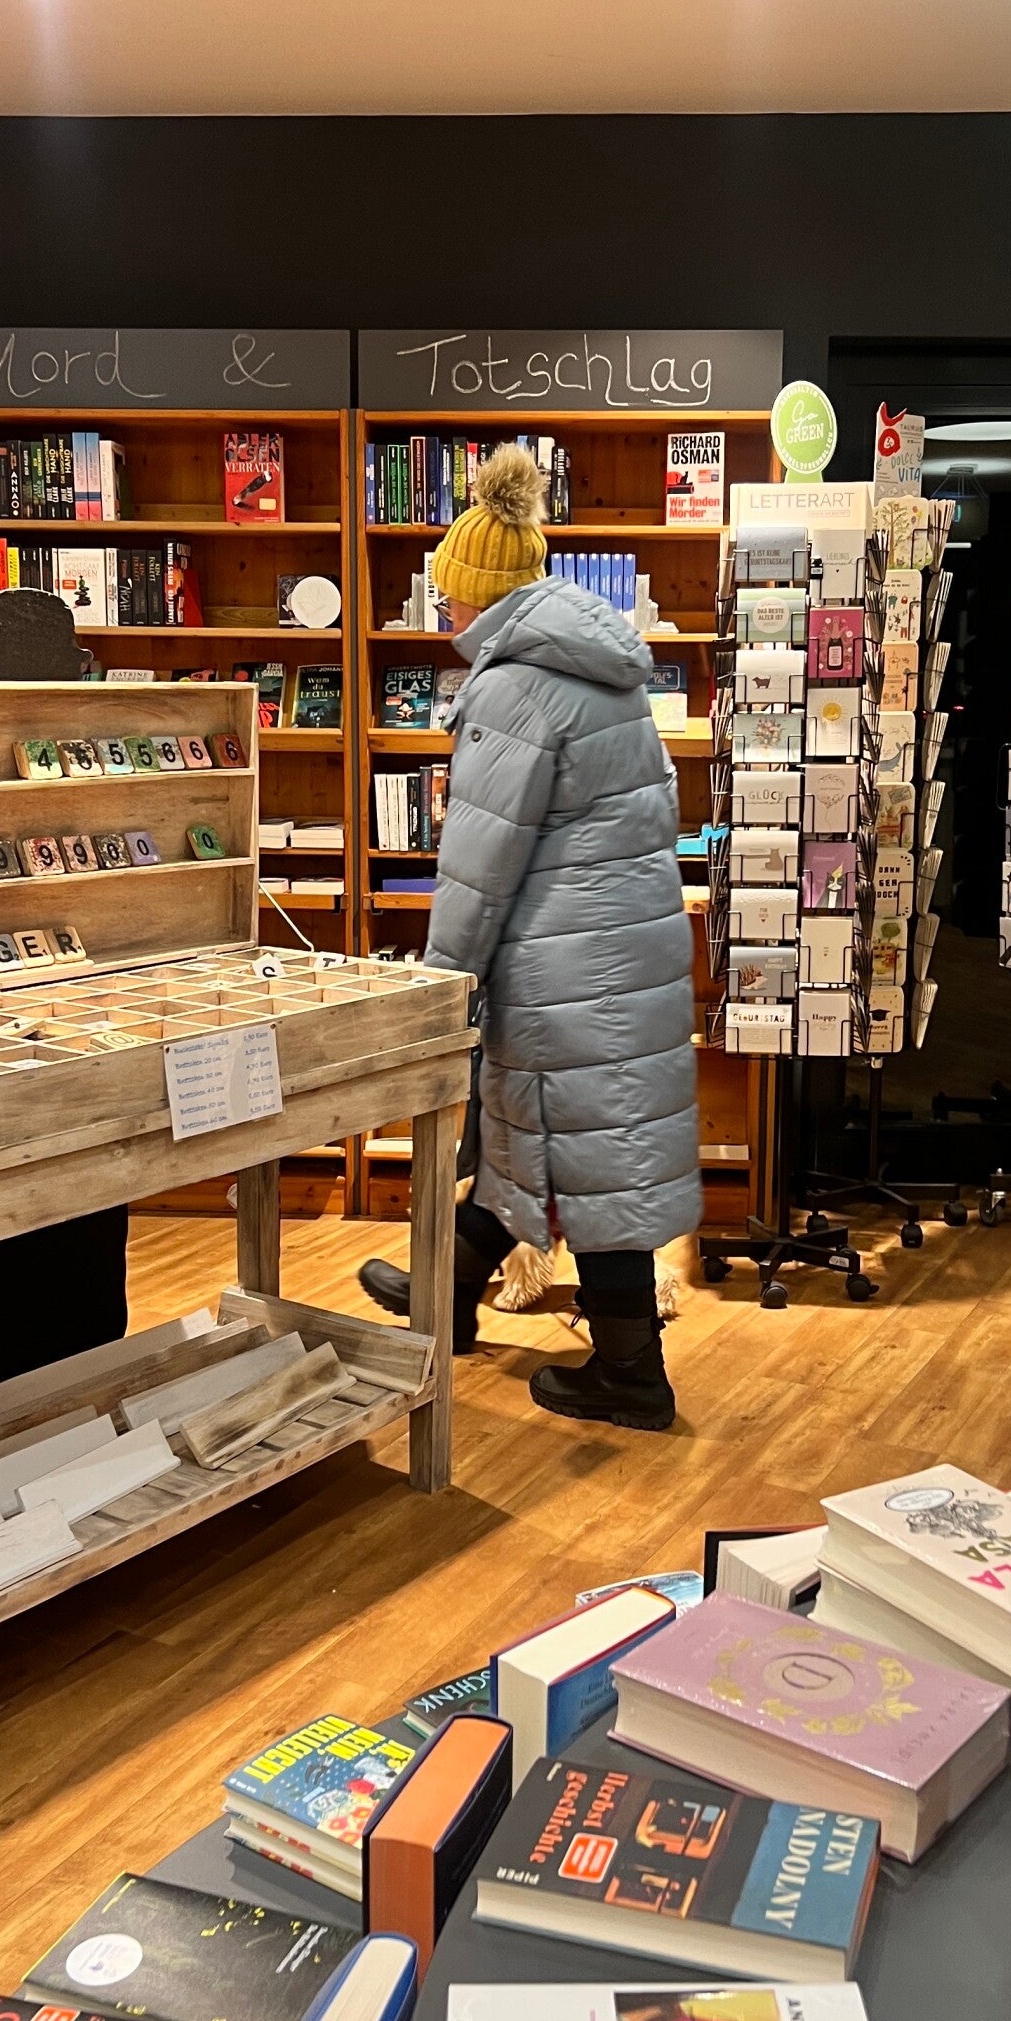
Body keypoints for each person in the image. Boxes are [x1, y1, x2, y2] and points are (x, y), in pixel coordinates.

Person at [359, 443, 700, 1428]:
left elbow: (479, 860)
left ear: (477, 591)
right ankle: (447, 1295)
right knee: (546, 1142)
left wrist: (440, 986)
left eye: (447, 591)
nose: (441, 607)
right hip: (618, 951)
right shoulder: (604, 670)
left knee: (588, 1160)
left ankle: (633, 1376)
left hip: (565, 968)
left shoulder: (513, 688)